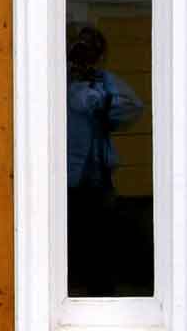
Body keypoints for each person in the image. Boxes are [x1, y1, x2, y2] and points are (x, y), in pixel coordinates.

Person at [66, 23, 145, 296]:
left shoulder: (103, 82)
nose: (84, 58)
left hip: (98, 179)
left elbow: (133, 106)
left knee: (103, 248)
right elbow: (78, 102)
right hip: (65, 182)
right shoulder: (57, 80)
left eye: (91, 51)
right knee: (71, 248)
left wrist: (107, 102)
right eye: (80, 50)